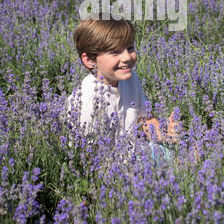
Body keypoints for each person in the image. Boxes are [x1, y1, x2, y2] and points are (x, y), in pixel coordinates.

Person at [66, 13, 180, 163]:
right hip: (110, 167)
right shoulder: (86, 102)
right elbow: (84, 158)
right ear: (90, 60)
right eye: (115, 52)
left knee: (191, 146)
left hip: (134, 153)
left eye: (130, 48)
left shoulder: (130, 79)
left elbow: (145, 119)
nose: (126, 57)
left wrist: (165, 133)